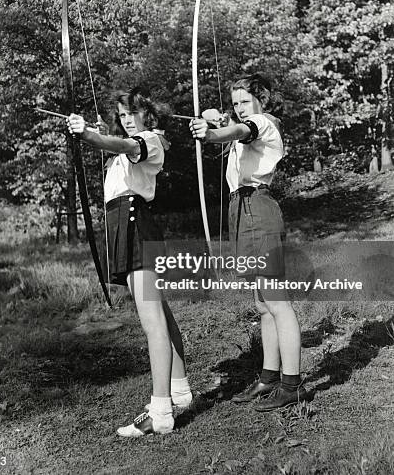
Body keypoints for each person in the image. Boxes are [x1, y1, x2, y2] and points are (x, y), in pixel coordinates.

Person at [66, 88, 192, 437]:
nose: (126, 119)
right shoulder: (133, 143)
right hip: (130, 225)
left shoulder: (149, 140)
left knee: (152, 321)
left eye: (132, 112)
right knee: (161, 313)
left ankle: (161, 410)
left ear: (146, 114)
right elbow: (117, 147)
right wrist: (95, 136)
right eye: (122, 114)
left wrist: (90, 136)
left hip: (136, 225)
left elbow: (123, 145)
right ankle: (179, 391)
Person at [190, 73, 307, 411]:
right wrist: (214, 118)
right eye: (236, 102)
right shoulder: (247, 124)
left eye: (245, 101)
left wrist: (211, 133)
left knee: (277, 302)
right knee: (263, 304)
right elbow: (233, 127)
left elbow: (240, 130)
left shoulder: (264, 122)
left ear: (261, 100)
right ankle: (269, 379)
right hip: (243, 211)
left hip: (257, 209)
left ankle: (293, 385)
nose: (240, 108)